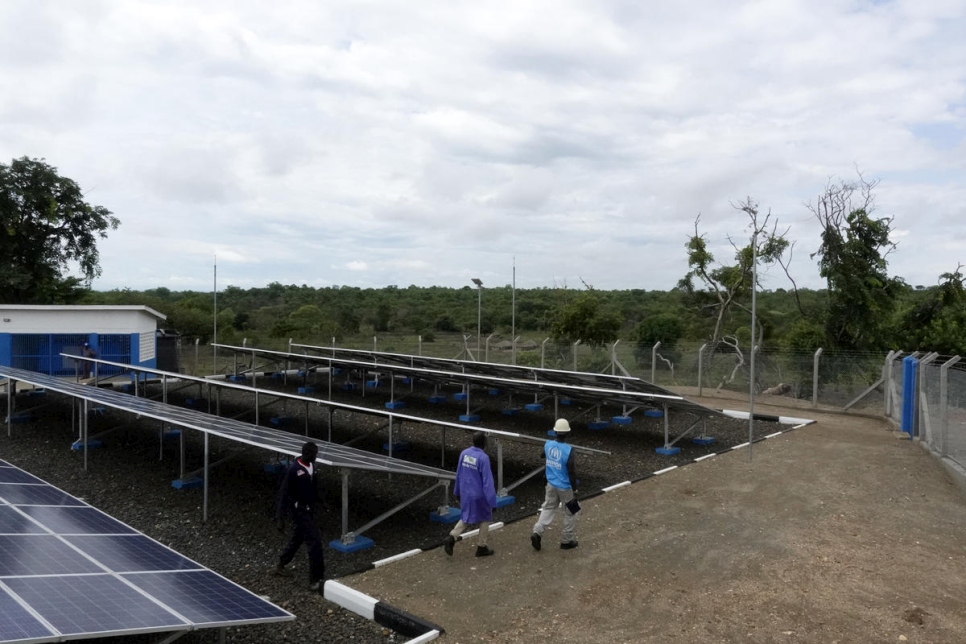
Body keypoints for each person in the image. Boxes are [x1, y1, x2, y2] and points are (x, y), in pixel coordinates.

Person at [274, 441, 326, 590]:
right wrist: (280, 517)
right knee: (314, 542)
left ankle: (281, 563)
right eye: (315, 454)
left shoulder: (312, 467)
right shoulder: (293, 470)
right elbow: (284, 493)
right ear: (308, 454)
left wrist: (322, 502)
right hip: (299, 510)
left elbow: (314, 488)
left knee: (298, 537)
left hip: (310, 509)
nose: (317, 457)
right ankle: (316, 579)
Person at [445, 431, 498, 557]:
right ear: (485, 443)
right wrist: (492, 501)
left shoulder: (464, 453)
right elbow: (487, 481)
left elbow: (459, 474)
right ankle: (481, 546)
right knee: (485, 518)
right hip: (479, 495)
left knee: (466, 516)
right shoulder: (483, 458)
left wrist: (457, 491)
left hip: (466, 493)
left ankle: (452, 537)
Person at [531, 418, 580, 551]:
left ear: (555, 431)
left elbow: (542, 455)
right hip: (565, 487)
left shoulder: (548, 444)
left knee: (548, 508)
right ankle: (567, 540)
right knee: (570, 511)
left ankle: (537, 531)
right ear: (568, 433)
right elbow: (571, 472)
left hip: (551, 484)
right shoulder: (569, 450)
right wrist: (574, 489)